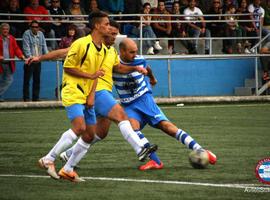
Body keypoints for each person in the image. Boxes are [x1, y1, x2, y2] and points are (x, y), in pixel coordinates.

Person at [37, 12, 155, 182]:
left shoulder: (108, 52)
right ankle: (140, 148)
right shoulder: (85, 45)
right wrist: (39, 58)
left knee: (97, 133)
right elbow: (63, 55)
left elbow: (118, 68)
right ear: (100, 28)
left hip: (97, 91)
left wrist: (135, 69)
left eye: (115, 33)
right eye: (111, 31)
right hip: (94, 91)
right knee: (119, 115)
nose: (114, 36)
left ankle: (67, 163)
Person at [113, 38, 217, 170]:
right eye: (131, 52)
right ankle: (156, 162)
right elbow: (119, 68)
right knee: (133, 130)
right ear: (122, 51)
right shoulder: (114, 62)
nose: (135, 54)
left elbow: (147, 67)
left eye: (136, 51)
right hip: (128, 105)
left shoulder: (139, 59)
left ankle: (201, 150)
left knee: (166, 127)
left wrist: (151, 77)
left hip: (144, 99)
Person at [22, 20, 48, 102]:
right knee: (27, 80)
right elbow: (26, 48)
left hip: (38, 60)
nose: (34, 28)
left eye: (36, 27)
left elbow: (44, 46)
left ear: (38, 28)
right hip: (30, 61)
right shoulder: (26, 33)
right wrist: (31, 58)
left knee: (37, 80)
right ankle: (26, 98)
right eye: (33, 27)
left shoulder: (41, 34)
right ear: (30, 27)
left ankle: (35, 98)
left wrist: (47, 56)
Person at [0, 23, 25, 102]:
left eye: (7, 29)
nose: (5, 31)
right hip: (0, 63)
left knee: (9, 80)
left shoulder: (12, 38)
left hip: (9, 63)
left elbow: (16, 49)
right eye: (3, 29)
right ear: (0, 30)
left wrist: (21, 55)